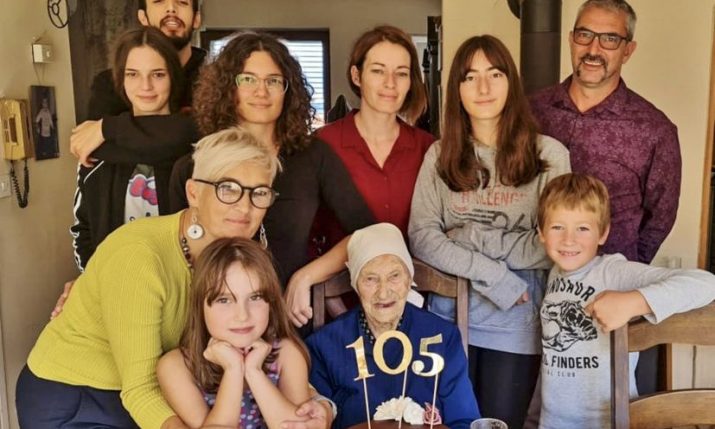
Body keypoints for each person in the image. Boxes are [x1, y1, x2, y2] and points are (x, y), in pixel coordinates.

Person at [17, 128, 329, 429]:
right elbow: (141, 389)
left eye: (259, 193)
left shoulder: (243, 254)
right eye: (228, 189)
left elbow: (270, 344)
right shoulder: (139, 256)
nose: (245, 207)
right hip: (79, 398)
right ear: (194, 193)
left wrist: (317, 402)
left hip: (164, 394)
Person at [408, 35, 570, 428]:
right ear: (457, 89)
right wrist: (494, 275)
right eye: (470, 77)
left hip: (515, 323)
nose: (483, 87)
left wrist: (466, 237)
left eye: (494, 74)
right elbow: (423, 237)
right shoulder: (439, 155)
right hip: (447, 320)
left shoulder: (549, 155)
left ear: (511, 82)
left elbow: (556, 243)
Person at [529, 0, 681, 395]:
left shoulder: (654, 129)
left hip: (607, 301)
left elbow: (661, 215)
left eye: (610, 39)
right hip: (529, 290)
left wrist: (621, 270)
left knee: (602, 405)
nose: (594, 48)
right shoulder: (532, 111)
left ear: (628, 50)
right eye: (585, 35)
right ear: (571, 39)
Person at [169, 31, 374, 311]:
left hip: (290, 312)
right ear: (228, 87)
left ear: (288, 91)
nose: (261, 91)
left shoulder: (313, 155)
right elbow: (175, 252)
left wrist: (307, 276)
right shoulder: (194, 166)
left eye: (273, 81)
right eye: (248, 79)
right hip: (212, 315)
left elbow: (365, 232)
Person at [535, 172, 715, 428]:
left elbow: (707, 283)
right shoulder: (554, 273)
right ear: (541, 232)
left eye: (582, 228)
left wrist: (634, 301)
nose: (569, 239)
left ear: (603, 233)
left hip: (607, 422)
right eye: (557, 227)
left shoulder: (613, 272)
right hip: (553, 422)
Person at [293, 24, 434, 326]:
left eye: (401, 73)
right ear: (357, 76)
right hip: (338, 309)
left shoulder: (428, 148)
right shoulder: (322, 145)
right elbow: (306, 236)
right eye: (378, 71)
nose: (390, 83)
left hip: (412, 310)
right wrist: (330, 304)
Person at [306, 223, 479, 429]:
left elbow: (464, 421)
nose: (383, 292)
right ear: (356, 284)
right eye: (370, 279)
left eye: (394, 276)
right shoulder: (325, 345)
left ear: (409, 279)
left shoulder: (443, 337)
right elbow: (318, 417)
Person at [70, 26, 198, 271]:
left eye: (158, 74)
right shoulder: (95, 147)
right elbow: (82, 227)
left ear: (173, 77)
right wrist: (93, 280)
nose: (145, 86)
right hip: (115, 281)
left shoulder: (197, 145)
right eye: (133, 74)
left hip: (185, 284)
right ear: (121, 79)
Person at [157, 237, 310, 428]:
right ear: (200, 306)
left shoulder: (286, 353)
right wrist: (233, 370)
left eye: (255, 297)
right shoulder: (177, 367)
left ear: (270, 302)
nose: (242, 315)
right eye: (224, 300)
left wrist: (254, 372)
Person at [71, 0, 205, 166]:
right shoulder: (108, 82)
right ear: (143, 17)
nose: (171, 8)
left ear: (196, 19)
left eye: (182, 2)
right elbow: (92, 146)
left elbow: (211, 137)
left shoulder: (216, 80)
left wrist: (108, 128)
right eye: (159, 1)